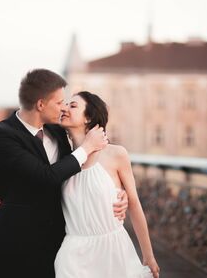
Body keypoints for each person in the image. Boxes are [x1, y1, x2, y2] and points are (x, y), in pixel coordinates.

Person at [0, 69, 128, 278]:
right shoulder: (2, 136)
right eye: (59, 102)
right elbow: (46, 176)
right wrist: (86, 148)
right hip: (13, 244)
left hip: (55, 245)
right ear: (41, 104)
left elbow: (77, 175)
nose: (64, 107)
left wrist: (117, 193)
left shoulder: (58, 132)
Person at [53, 91, 160, 278]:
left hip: (113, 252)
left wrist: (148, 255)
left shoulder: (116, 154)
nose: (65, 108)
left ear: (88, 117)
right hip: (72, 256)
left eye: (73, 105)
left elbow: (134, 204)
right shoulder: (61, 162)